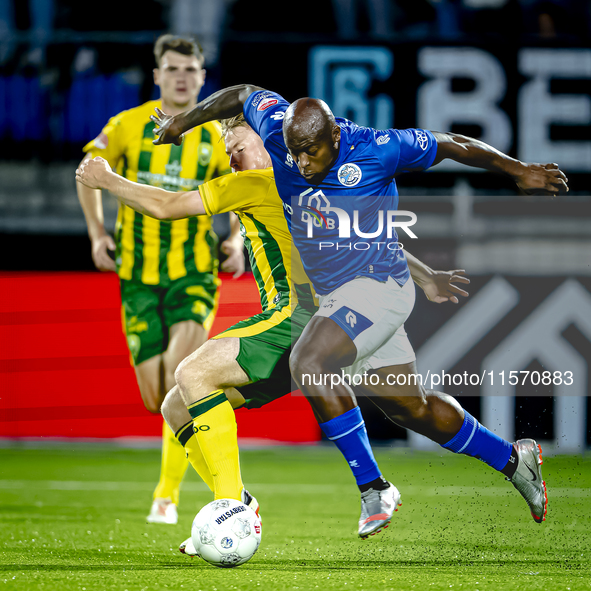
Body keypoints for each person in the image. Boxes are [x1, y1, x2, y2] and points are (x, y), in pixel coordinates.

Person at [150, 85, 570, 525]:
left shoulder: (380, 148)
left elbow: (453, 144)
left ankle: (374, 489)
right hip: (339, 300)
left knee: (309, 360)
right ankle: (513, 459)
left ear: (334, 136)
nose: (303, 164)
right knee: (412, 408)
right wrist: (182, 122)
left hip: (379, 287)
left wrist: (517, 169)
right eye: (295, 154)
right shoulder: (278, 131)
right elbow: (241, 93)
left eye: (312, 152)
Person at [76, 114, 470, 541]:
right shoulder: (312, 184)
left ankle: (235, 510)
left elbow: (167, 206)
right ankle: (509, 458)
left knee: (193, 373)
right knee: (176, 406)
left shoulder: (258, 182)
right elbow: (366, 242)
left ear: (268, 142)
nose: (231, 159)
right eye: (227, 152)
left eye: (237, 147)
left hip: (297, 319)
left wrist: (108, 179)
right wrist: (426, 276)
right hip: (331, 320)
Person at [75, 34, 244, 526]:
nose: (181, 77)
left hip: (193, 273)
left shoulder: (215, 134)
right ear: (157, 75)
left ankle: (169, 496)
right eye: (172, 69)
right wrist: (96, 233)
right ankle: (186, 489)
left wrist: (233, 239)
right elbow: (89, 168)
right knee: (155, 399)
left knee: (183, 377)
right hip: (138, 278)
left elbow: (240, 187)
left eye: (190, 70)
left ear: (202, 77)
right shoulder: (127, 125)